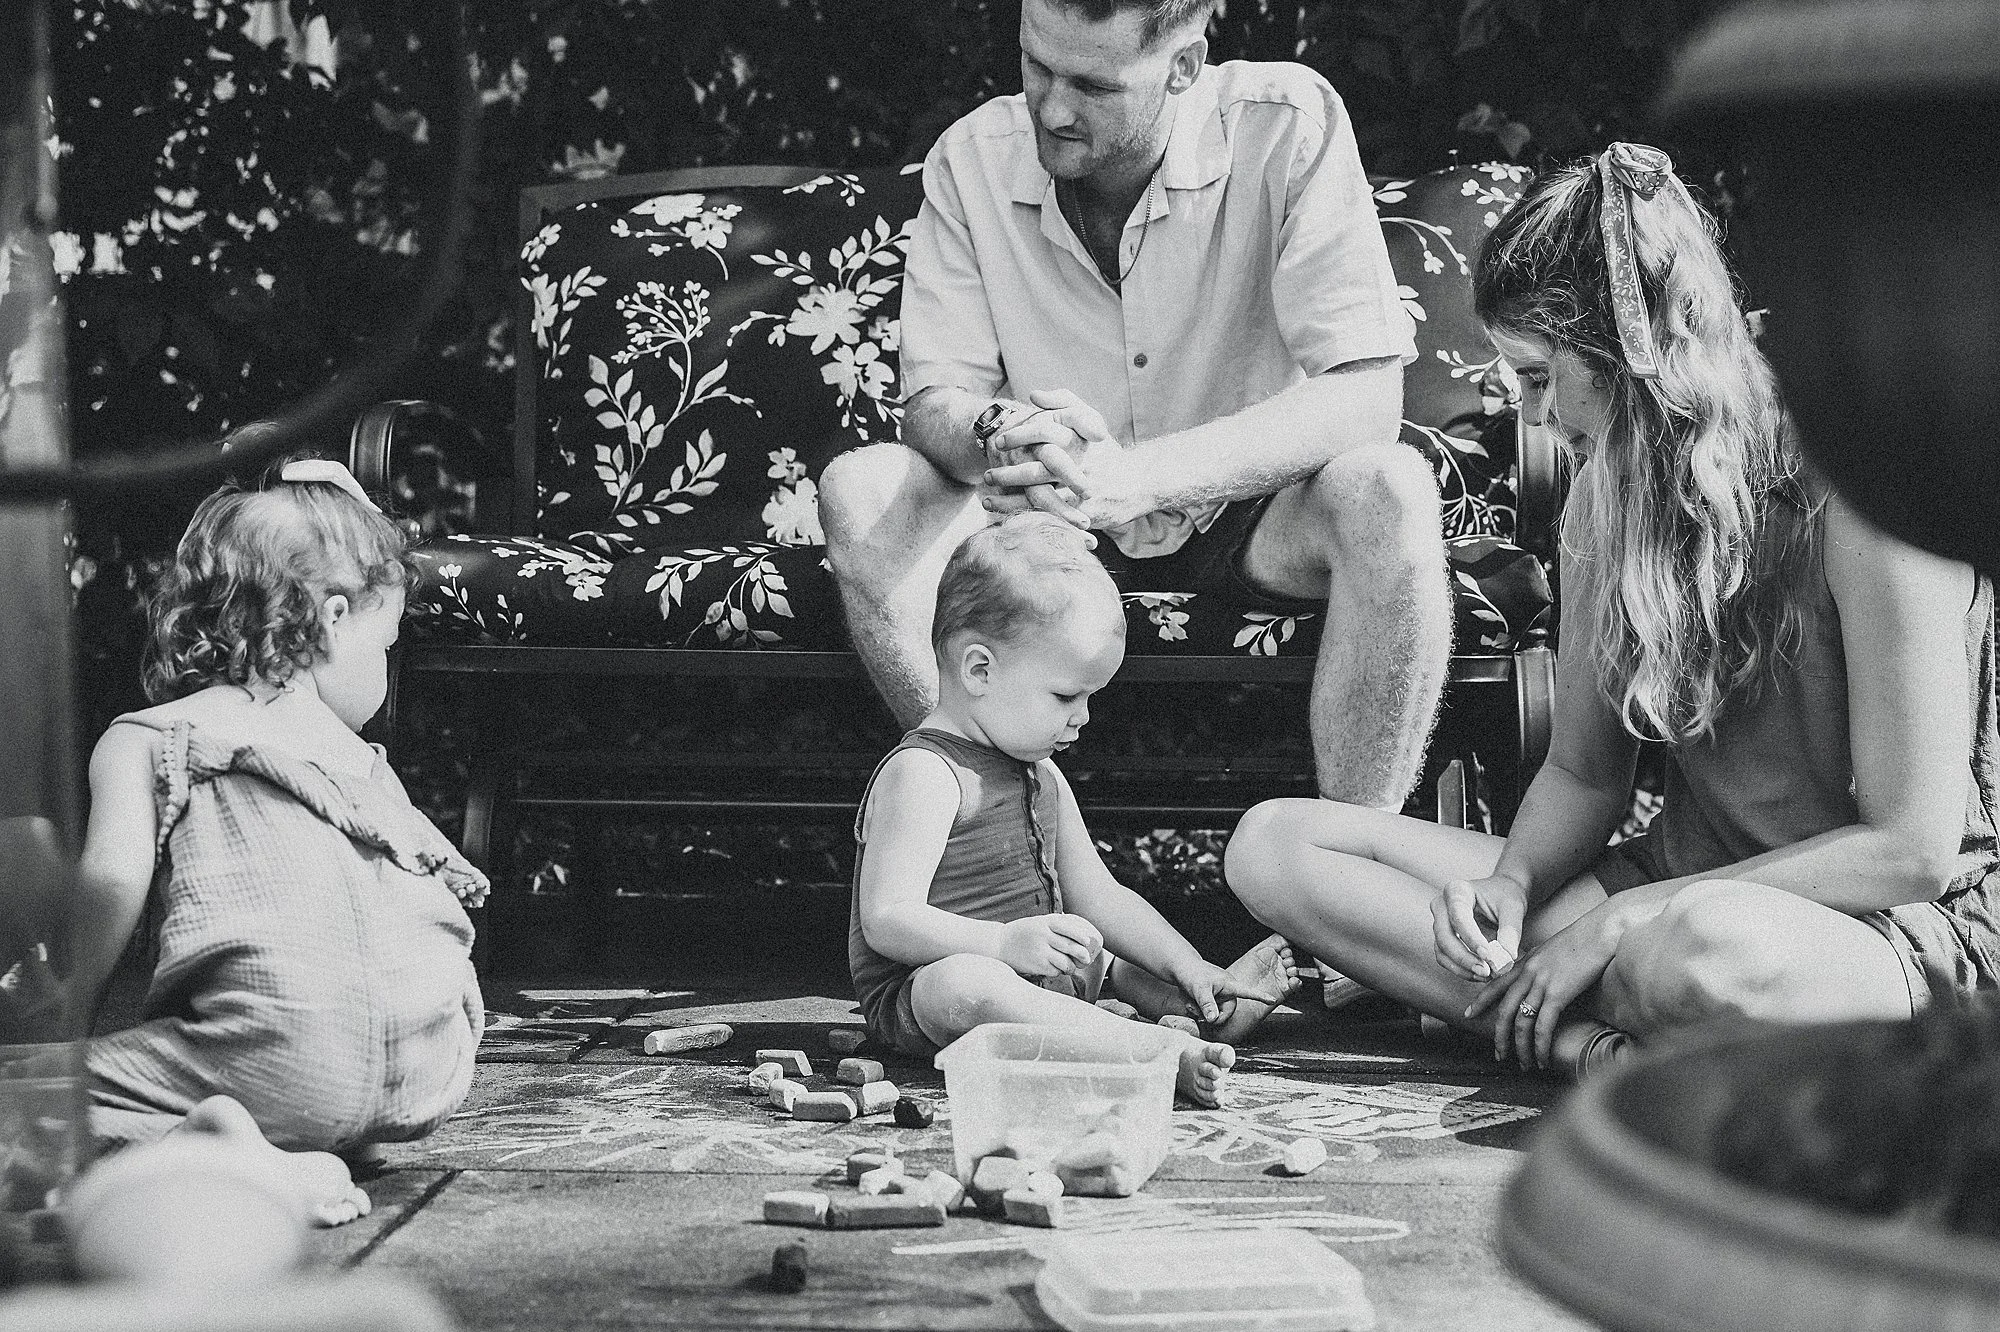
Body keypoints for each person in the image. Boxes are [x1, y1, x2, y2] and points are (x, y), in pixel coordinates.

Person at [1224, 142, 2000, 1074]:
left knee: (1703, 956)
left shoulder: (1868, 492)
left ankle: (1548, 1016)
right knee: (1278, 845)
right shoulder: (1608, 494)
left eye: (1541, 377)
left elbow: (1910, 849)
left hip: (1881, 931)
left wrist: (1632, 917)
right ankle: (1598, 1050)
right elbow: (1588, 775)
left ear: (1632, 354)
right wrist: (1510, 887)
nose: (1535, 417)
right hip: (1670, 889)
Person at [818, 0, 1448, 812]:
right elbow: (937, 401)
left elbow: (1366, 394)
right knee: (862, 492)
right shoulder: (971, 158)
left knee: (1389, 489)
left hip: (1252, 518)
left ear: (1183, 66)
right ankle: (1009, 841)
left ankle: (1345, 879)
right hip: (1039, 528)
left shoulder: (1287, 122)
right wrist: (999, 434)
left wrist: (1141, 477)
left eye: (1091, 83)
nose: (1051, 108)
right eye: (1036, 65)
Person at [73, 456, 487, 1223]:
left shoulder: (150, 739)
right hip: (430, 1071)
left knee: (28, 1102)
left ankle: (219, 1149)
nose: (386, 669)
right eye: (386, 645)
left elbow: (103, 900)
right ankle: (286, 1134)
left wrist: (56, 1024)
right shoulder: (360, 763)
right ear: (331, 620)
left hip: (278, 1066)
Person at [849, 513, 1300, 1107]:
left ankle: (1208, 1006)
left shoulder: (1043, 774)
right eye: (1066, 695)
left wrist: (1186, 964)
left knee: (1112, 958)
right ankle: (1150, 1052)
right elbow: (887, 919)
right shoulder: (925, 774)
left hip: (1047, 973)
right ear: (979, 669)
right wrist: (1002, 945)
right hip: (929, 991)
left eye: (1089, 697)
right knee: (969, 983)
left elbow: (1101, 897)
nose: (1082, 717)